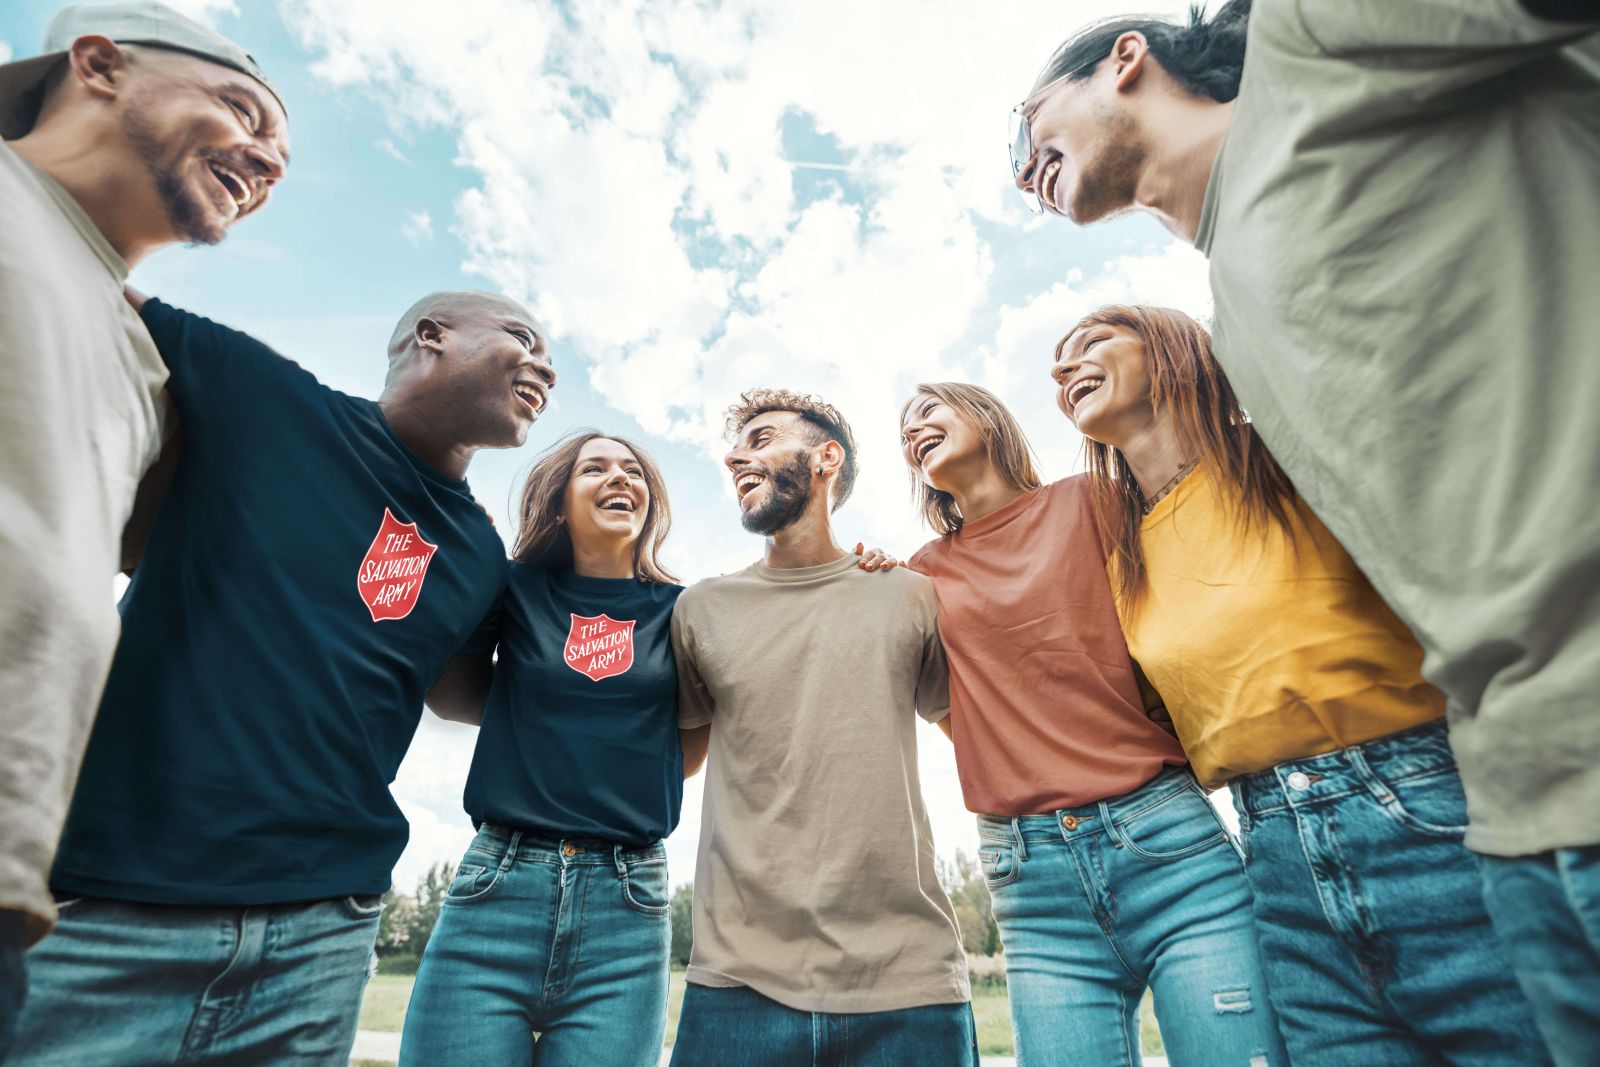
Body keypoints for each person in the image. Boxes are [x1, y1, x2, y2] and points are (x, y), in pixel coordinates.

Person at [1007, 5, 1600, 1056]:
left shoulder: (1307, 40)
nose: (1020, 168)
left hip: (1443, 791)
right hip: (1485, 801)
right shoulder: (1237, 304)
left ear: (1126, 60)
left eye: (1029, 124)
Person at [5, 289, 553, 1066]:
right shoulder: (263, 397)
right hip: (108, 903)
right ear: (432, 335)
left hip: (322, 933)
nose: (547, 367)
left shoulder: (479, 556)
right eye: (523, 339)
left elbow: (467, 694)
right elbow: (72, 276)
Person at [1056, 303, 1550, 1064]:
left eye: (1091, 341)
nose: (1063, 368)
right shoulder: (1124, 557)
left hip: (1428, 809)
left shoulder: (1286, 454)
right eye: (1058, 360)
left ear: (1175, 348)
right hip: (1274, 859)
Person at [0, 3, 288, 1043]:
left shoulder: (141, 363)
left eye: (281, 155)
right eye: (242, 109)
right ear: (99, 64)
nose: (266, 161)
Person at [898, 382, 1285, 1066]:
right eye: (906, 428)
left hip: (1167, 844)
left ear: (986, 417)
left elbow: (1177, 618)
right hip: (1033, 881)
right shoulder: (920, 577)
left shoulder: (1094, 500)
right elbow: (945, 702)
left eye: (929, 410)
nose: (914, 428)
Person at [668, 389, 975, 1066]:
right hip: (737, 985)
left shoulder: (908, 592)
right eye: (736, 446)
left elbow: (979, 740)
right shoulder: (700, 610)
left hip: (909, 983)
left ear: (826, 457)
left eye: (763, 437)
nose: (736, 456)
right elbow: (674, 762)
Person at [397, 431, 687, 1066]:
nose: (620, 478)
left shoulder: (685, 612)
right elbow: (452, 696)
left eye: (633, 471)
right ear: (558, 502)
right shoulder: (513, 589)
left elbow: (690, 743)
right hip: (499, 883)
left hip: (628, 901)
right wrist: (530, 718)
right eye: (595, 468)